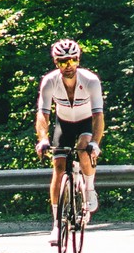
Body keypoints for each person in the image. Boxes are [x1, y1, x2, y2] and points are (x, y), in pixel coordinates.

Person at [35, 37, 104, 238]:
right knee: (58, 167)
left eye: (73, 60)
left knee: (84, 148)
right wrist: (43, 139)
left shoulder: (90, 80)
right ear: (56, 63)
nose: (68, 66)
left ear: (78, 60)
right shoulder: (50, 81)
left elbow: (99, 115)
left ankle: (89, 189)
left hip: (85, 122)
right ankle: (57, 224)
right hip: (63, 124)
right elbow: (43, 114)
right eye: (63, 62)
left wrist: (95, 143)